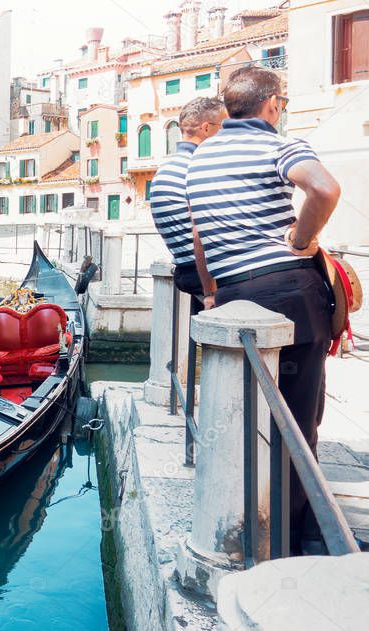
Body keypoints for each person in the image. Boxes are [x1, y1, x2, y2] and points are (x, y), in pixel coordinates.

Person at [186, 66, 341, 552]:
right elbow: (325, 189)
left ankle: (254, 525)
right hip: (290, 294)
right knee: (299, 418)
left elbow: (198, 239)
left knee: (251, 418)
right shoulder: (278, 144)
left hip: (234, 295)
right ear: (272, 103)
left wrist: (213, 291)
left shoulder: (200, 159)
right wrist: (302, 238)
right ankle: (301, 537)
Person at [150, 97, 228, 308]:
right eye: (225, 126)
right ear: (206, 128)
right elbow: (201, 231)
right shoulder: (200, 167)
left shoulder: (165, 169)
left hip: (186, 271)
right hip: (207, 275)